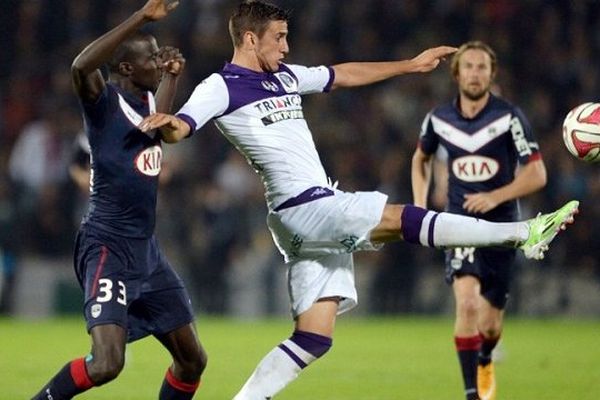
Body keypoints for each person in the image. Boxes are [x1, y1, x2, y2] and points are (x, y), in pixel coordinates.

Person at [139, 1, 578, 398]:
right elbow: (181, 128)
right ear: (250, 39)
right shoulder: (221, 85)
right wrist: (165, 121)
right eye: (279, 38)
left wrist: (410, 65)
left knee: (314, 336)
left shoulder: (285, 77)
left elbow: (343, 74)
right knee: (400, 217)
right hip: (304, 206)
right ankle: (522, 232)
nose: (287, 47)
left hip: (302, 219)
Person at [32, 1, 207, 399]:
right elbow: (80, 66)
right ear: (126, 68)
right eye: (151, 59)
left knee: (192, 359)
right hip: (107, 245)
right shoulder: (104, 104)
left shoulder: (148, 101)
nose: (158, 63)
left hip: (147, 251)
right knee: (107, 364)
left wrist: (173, 78)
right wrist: (142, 17)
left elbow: (158, 128)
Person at [411, 40, 547, 400]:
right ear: (456, 73)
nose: (475, 73)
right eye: (468, 66)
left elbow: (537, 175)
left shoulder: (510, 117)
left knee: (490, 324)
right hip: (459, 222)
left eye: (482, 67)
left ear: (492, 73)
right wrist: (420, 207)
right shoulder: (438, 119)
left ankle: (485, 357)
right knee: (467, 303)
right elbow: (420, 159)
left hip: (503, 226)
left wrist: (495, 196)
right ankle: (472, 393)